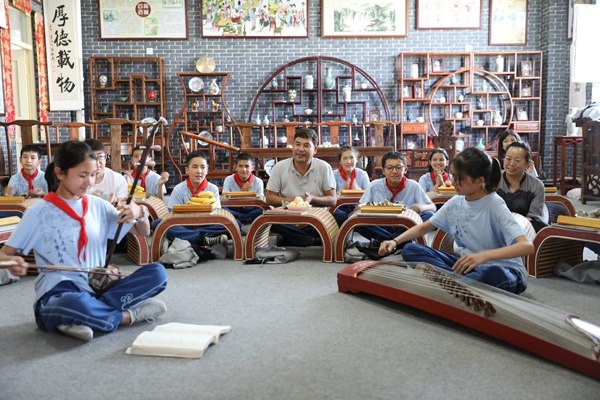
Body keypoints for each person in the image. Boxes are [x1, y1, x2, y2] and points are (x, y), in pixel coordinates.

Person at [0, 141, 167, 341]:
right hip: (59, 291)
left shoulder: (98, 205)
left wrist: (139, 212)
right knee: (72, 303)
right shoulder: (38, 212)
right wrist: (11, 262)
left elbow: (142, 231)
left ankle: (82, 316)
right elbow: (3, 255)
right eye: (82, 175)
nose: (89, 182)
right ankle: (125, 316)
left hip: (97, 286)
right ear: (60, 173)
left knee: (157, 273)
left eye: (93, 174)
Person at [378, 147, 534, 294]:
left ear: (479, 181)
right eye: (453, 176)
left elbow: (526, 246)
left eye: (460, 178)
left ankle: (451, 281)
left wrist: (483, 256)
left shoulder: (494, 203)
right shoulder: (456, 202)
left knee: (490, 273)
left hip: (503, 269)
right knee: (411, 249)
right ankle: (455, 282)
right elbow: (424, 227)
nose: (453, 182)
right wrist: (394, 241)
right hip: (466, 266)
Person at [265, 127, 336, 247]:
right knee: (270, 220)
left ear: (315, 150)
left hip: (316, 219)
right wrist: (295, 201)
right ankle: (311, 241)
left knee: (341, 218)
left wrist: (311, 199)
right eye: (297, 144)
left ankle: (293, 238)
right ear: (292, 146)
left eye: (306, 145)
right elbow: (269, 198)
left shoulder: (324, 167)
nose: (301, 149)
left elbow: (332, 199)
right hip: (288, 219)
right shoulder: (279, 167)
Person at [355, 151, 436, 246]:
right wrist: (369, 208)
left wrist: (421, 207)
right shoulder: (374, 185)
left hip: (404, 227)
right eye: (389, 168)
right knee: (354, 217)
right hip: (381, 226)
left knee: (429, 215)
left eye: (398, 167)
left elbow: (433, 207)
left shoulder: (413, 185)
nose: (394, 171)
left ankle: (384, 242)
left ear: (405, 170)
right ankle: (399, 242)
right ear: (383, 171)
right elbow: (358, 208)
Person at [166, 150, 231, 246]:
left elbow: (217, 214)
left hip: (207, 225)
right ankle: (204, 239)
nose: (199, 171)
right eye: (195, 167)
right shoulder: (178, 189)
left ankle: (193, 238)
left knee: (234, 223)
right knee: (160, 224)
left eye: (203, 167)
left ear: (207, 170)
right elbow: (172, 215)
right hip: (185, 226)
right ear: (187, 170)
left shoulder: (213, 189)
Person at [497, 142, 548, 232]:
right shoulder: (494, 180)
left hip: (526, 227)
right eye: (508, 159)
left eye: (517, 160)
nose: (511, 163)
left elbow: (534, 217)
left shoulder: (537, 185)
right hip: (496, 225)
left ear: (527, 163)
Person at [221, 152, 265, 225]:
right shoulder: (228, 179)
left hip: (251, 211)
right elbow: (224, 199)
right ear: (235, 167)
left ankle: (238, 221)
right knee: (223, 209)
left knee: (263, 210)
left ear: (252, 168)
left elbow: (261, 201)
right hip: (234, 210)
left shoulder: (258, 181)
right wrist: (242, 192)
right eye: (240, 166)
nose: (244, 169)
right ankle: (245, 221)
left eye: (247, 166)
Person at [332, 145, 370, 225]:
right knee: (340, 216)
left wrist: (358, 190)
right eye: (345, 158)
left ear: (356, 160)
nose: (349, 161)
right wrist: (342, 191)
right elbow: (331, 197)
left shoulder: (362, 174)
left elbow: (369, 196)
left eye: (351, 158)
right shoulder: (333, 174)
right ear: (340, 161)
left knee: (358, 215)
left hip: (358, 206)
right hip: (340, 208)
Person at [85, 139, 128, 204]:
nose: (96, 163)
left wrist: (112, 202)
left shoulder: (117, 179)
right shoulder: (77, 181)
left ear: (105, 157)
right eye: (91, 157)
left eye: (100, 156)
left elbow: (123, 204)